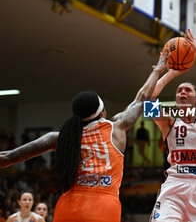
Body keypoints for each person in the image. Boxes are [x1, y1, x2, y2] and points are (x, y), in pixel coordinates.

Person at [0, 50, 169, 222]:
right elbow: (141, 100)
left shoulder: (60, 137)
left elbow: (9, 157)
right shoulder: (116, 128)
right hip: (103, 205)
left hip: (69, 205)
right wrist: (158, 70)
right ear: (101, 111)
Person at [149, 29, 196, 222]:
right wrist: (170, 73)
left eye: (187, 90)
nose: (182, 92)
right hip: (174, 187)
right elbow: (149, 99)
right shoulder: (170, 123)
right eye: (179, 91)